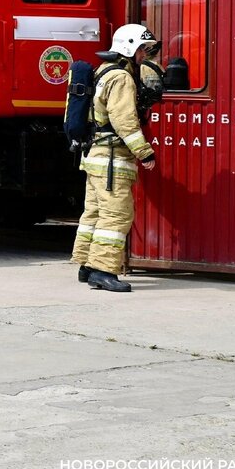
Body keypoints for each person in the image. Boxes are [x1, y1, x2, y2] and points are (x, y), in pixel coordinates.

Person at [71, 24, 160, 292]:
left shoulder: (104, 71)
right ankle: (103, 270)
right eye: (142, 49)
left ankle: (87, 265)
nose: (144, 55)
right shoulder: (121, 78)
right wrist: (144, 152)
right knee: (117, 215)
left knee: (95, 213)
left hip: (94, 155)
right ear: (129, 48)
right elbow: (124, 121)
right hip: (111, 159)